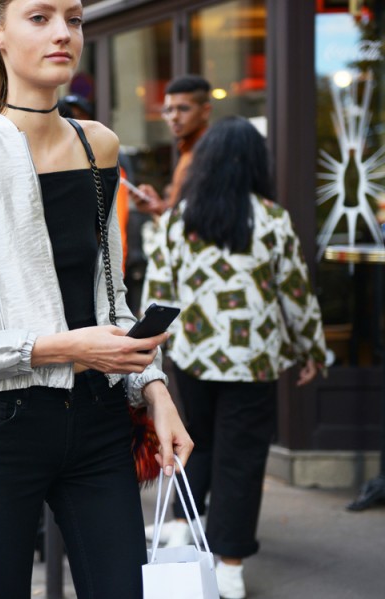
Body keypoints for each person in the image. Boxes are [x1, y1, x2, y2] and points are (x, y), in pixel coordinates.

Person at [0, 0, 193, 596]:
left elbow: (112, 299)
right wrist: (63, 347)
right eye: (39, 17)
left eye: (74, 18)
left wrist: (157, 392)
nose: (63, 33)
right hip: (2, 426)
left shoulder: (100, 147)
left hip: (99, 421)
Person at [141, 116, 327, 599]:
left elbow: (157, 292)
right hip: (254, 358)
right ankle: (229, 564)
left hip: (191, 355)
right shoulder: (271, 219)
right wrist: (312, 349)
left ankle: (183, 527)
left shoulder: (177, 220)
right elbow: (296, 294)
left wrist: (150, 355)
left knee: (192, 440)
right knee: (241, 460)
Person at [130, 74, 212, 218]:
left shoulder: (212, 152)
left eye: (183, 108)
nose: (174, 117)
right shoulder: (187, 151)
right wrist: (158, 205)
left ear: (205, 111)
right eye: (168, 110)